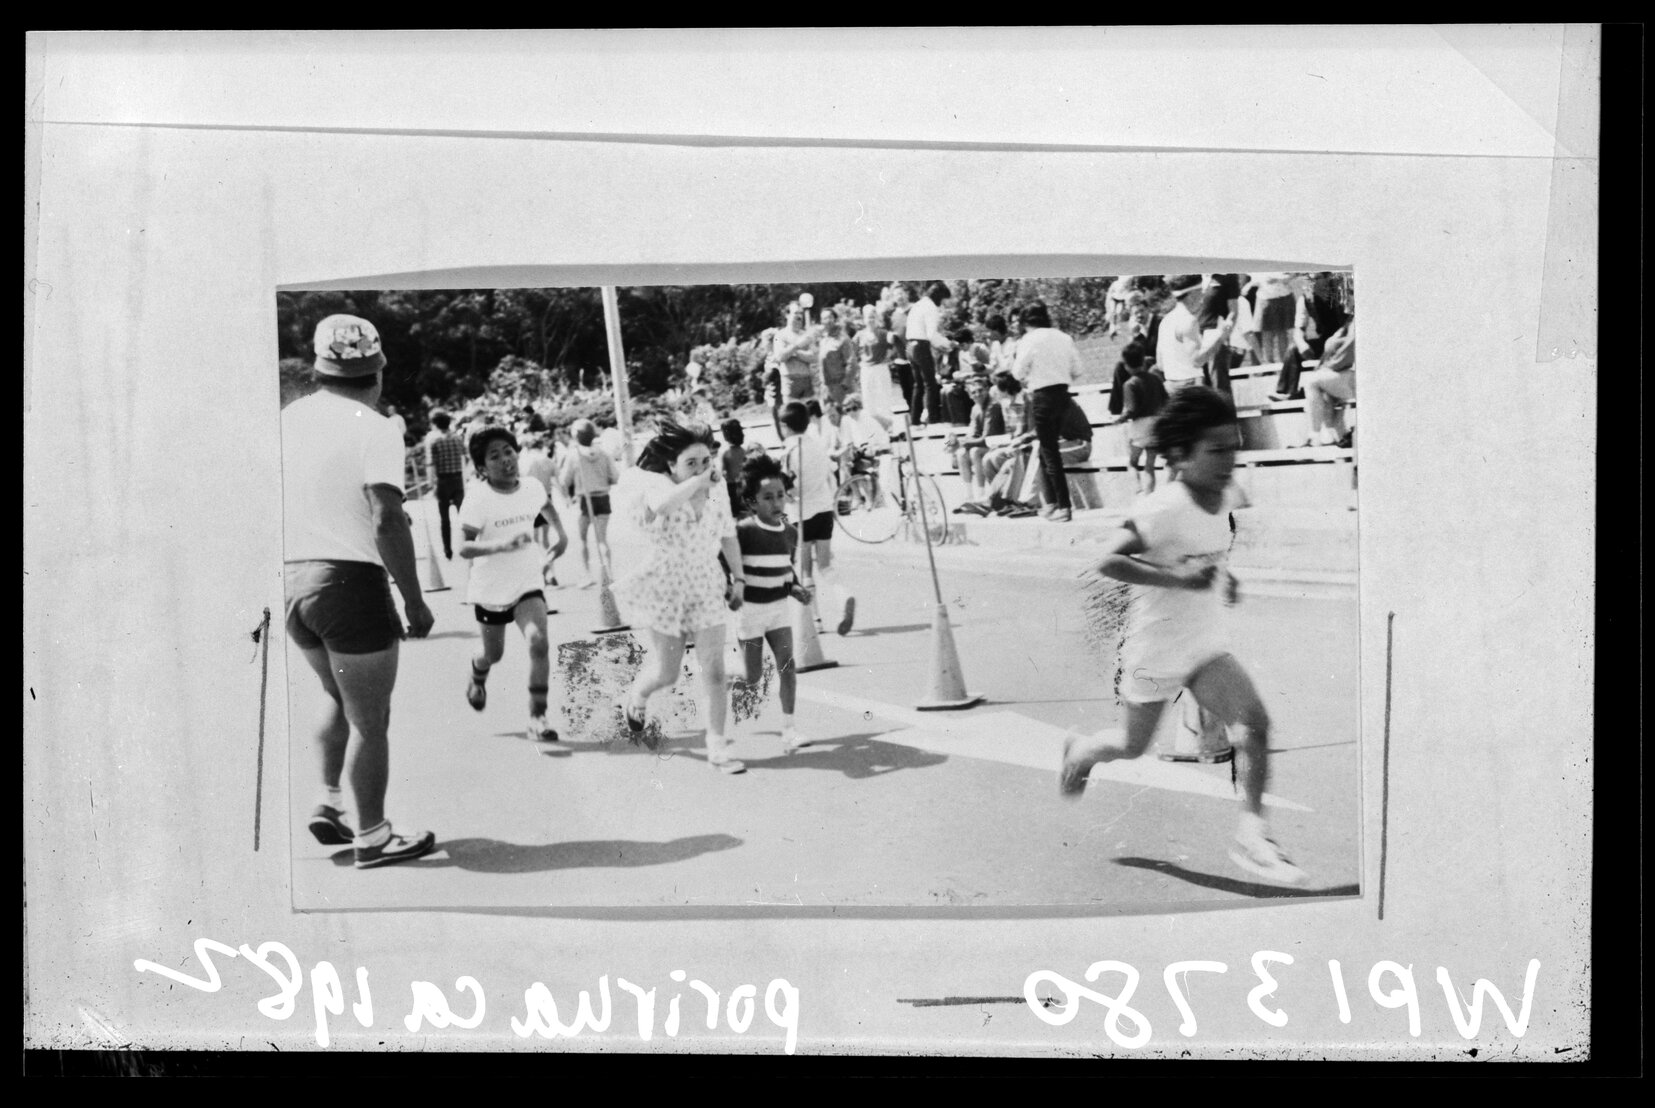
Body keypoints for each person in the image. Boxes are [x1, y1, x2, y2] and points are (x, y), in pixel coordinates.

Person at [1059, 386, 1306, 886]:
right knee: (1130, 748)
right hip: (1155, 650)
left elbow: (1208, 548)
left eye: (1233, 447)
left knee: (1253, 725)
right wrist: (1179, 581)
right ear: (1180, 454)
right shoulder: (1162, 507)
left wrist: (1224, 577)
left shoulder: (1227, 494)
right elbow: (1106, 560)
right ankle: (1083, 750)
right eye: (1215, 450)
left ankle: (1253, 835)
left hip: (1204, 647)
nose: (1228, 460)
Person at [282, 314, 436, 869]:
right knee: (372, 719)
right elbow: (387, 518)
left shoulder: (289, 419)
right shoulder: (375, 427)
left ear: (319, 369)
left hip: (292, 580)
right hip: (348, 583)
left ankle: (329, 804)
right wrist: (415, 600)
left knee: (336, 696)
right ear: (377, 372)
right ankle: (372, 836)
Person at [612, 419, 748, 773]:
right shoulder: (657, 485)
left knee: (715, 669)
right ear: (671, 466)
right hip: (665, 590)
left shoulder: (716, 494)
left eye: (706, 462)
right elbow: (663, 506)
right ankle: (638, 696)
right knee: (666, 674)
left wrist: (739, 579)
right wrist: (695, 483)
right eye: (691, 463)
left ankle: (717, 747)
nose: (702, 470)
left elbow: (728, 536)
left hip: (705, 585)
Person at [458, 426, 568, 744]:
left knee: (538, 642)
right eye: (495, 456)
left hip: (527, 581)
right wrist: (499, 546)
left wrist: (562, 537)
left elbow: (547, 508)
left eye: (509, 451)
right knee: (493, 654)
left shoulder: (532, 486)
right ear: (482, 468)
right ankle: (478, 672)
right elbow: (463, 546)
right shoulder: (478, 498)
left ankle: (538, 716)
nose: (506, 459)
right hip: (490, 587)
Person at [730, 452, 817, 755]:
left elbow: (786, 570)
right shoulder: (743, 531)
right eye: (767, 497)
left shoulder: (790, 533)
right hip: (750, 612)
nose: (777, 502)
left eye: (780, 495)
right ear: (752, 501)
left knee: (788, 667)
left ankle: (789, 729)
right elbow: (722, 563)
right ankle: (726, 676)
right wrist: (729, 590)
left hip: (778, 609)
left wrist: (796, 589)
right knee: (752, 678)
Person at [779, 401, 854, 636]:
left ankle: (816, 620)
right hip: (823, 510)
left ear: (784, 426)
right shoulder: (816, 445)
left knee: (805, 570)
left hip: (801, 514)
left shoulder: (788, 451)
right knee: (825, 565)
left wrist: (788, 498)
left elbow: (789, 488)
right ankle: (844, 595)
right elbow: (828, 473)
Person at [1011, 301, 1084, 523]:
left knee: (1050, 451)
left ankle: (1063, 506)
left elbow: (1017, 372)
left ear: (1025, 322)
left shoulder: (1028, 340)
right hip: (1063, 394)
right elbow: (1078, 370)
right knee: (1044, 450)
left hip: (1042, 396)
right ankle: (1051, 502)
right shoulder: (1063, 337)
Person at [558, 418, 620, 586]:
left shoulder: (573, 455)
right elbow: (614, 477)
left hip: (584, 500)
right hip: (603, 498)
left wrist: (566, 497)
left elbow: (564, 480)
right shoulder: (604, 454)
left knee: (583, 540)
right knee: (602, 540)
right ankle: (609, 574)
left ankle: (586, 576)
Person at [1157, 275, 1228, 396]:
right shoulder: (1189, 321)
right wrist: (1220, 338)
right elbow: (1197, 361)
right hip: (1191, 387)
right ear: (1192, 295)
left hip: (1171, 387)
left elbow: (1161, 364)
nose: (1202, 298)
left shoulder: (1166, 321)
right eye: (1200, 292)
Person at [1113, 340, 1168, 495]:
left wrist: (1119, 419)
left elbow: (1131, 410)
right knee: (1150, 466)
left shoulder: (1130, 384)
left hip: (1139, 426)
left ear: (1126, 365)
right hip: (1156, 425)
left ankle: (1137, 489)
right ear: (1143, 360)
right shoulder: (1156, 379)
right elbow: (1166, 400)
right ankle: (1148, 495)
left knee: (1132, 463)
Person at [903, 282, 955, 425]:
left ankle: (914, 420)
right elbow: (931, 335)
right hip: (920, 346)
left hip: (909, 346)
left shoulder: (918, 304)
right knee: (930, 384)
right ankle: (933, 420)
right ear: (940, 297)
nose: (944, 304)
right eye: (944, 300)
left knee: (918, 385)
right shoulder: (931, 308)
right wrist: (948, 344)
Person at [1300, 318, 1356, 447]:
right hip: (1349, 374)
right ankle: (1331, 435)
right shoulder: (1349, 322)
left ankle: (1314, 436)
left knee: (1312, 382)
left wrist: (1328, 367)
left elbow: (1349, 348)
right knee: (1322, 388)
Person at [423, 409, 468, 561]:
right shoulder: (456, 438)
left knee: (444, 518)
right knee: (463, 515)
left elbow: (430, 464)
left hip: (442, 481)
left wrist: (431, 485)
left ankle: (447, 549)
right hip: (457, 479)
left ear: (435, 423)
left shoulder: (433, 439)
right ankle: (467, 545)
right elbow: (464, 457)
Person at [854, 303, 898, 421]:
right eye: (868, 317)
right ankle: (873, 427)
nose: (871, 319)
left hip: (881, 368)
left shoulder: (883, 333)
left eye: (873, 316)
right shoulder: (859, 335)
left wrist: (889, 356)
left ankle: (889, 425)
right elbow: (853, 352)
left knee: (884, 397)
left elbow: (895, 344)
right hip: (866, 369)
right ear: (864, 319)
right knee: (868, 399)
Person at [771, 304, 821, 404]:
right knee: (792, 415)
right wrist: (797, 345)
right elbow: (780, 357)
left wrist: (792, 352)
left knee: (811, 415)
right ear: (787, 315)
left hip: (806, 380)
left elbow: (814, 357)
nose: (799, 316)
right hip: (789, 381)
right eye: (796, 313)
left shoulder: (806, 335)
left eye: (801, 313)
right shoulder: (780, 335)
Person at [816, 309, 855, 406]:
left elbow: (852, 363)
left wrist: (845, 384)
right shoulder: (823, 340)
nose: (828, 321)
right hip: (826, 388)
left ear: (835, 319)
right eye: (824, 318)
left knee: (845, 416)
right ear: (821, 321)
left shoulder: (843, 339)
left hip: (840, 386)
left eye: (830, 317)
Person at [718, 418, 749, 520]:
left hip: (732, 487)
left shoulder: (725, 453)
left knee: (735, 513)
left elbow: (722, 472)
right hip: (745, 484)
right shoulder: (744, 451)